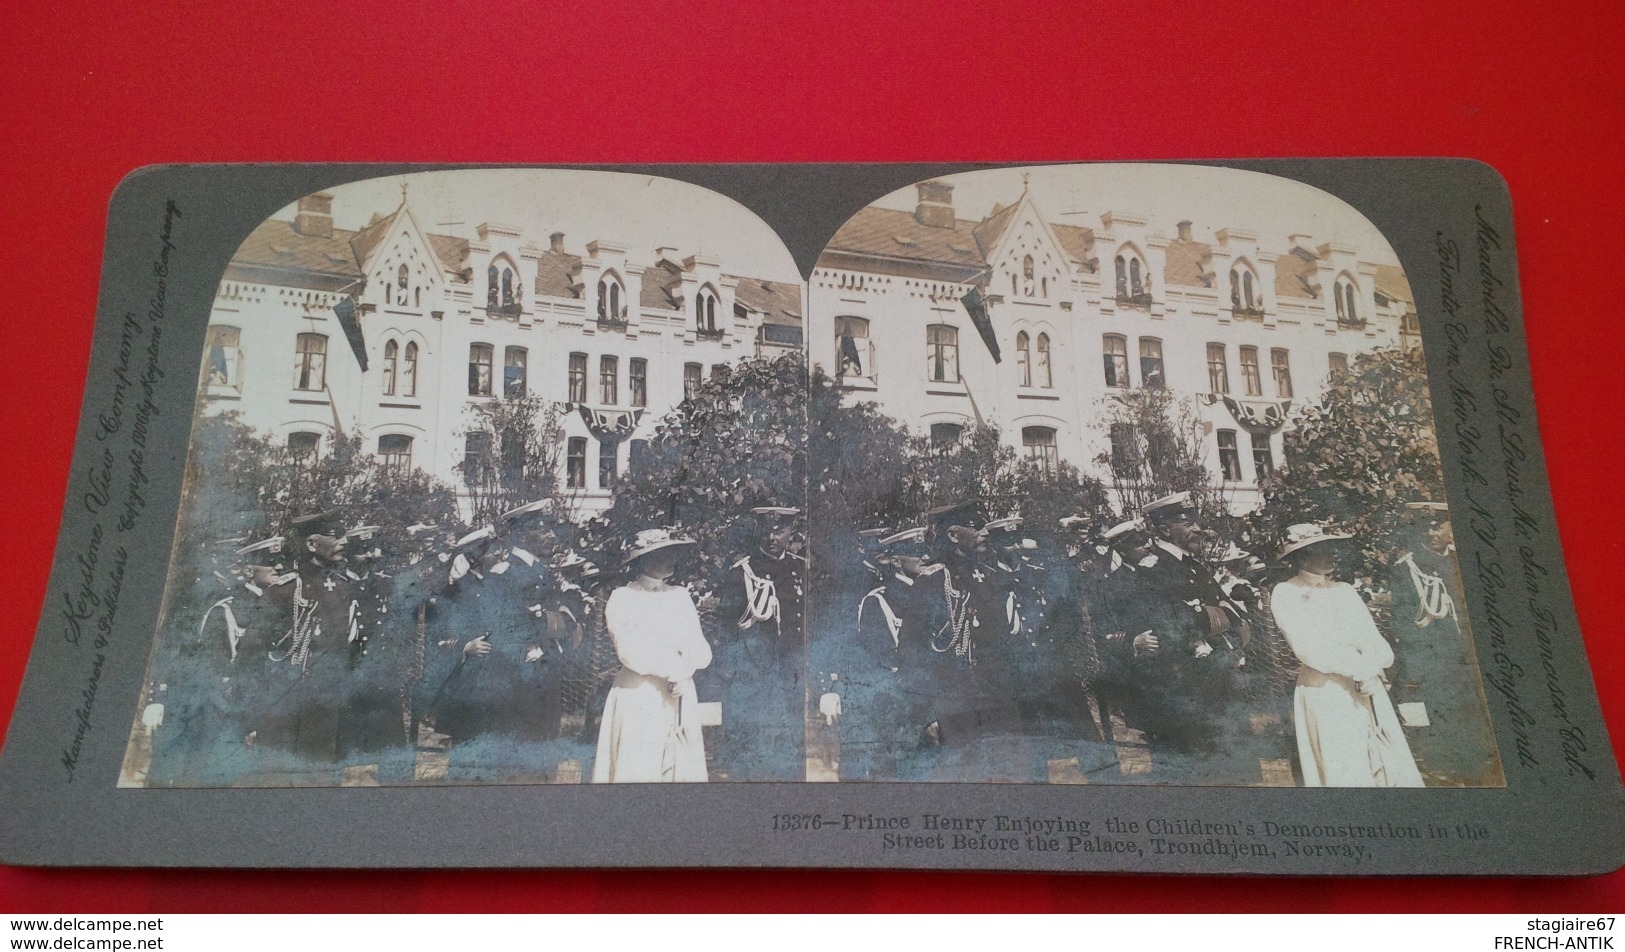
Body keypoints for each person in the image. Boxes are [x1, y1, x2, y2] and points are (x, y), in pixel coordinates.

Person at [1271, 523, 1422, 787]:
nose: (1333, 555)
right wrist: (1357, 670)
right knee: (1343, 764)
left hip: (1366, 685)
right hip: (1325, 687)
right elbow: (1308, 648)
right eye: (1323, 549)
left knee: (1384, 761)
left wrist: (1373, 667)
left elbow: (1373, 639)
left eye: (1333, 548)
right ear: (1303, 556)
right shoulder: (1286, 592)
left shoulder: (1344, 590)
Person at [592, 529, 713, 783]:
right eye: (662, 553)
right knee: (639, 769)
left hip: (680, 694)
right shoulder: (623, 597)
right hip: (640, 695)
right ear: (642, 559)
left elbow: (701, 649)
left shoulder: (679, 595)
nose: (672, 559)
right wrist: (673, 669)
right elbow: (629, 652)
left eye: (673, 553)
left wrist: (685, 671)